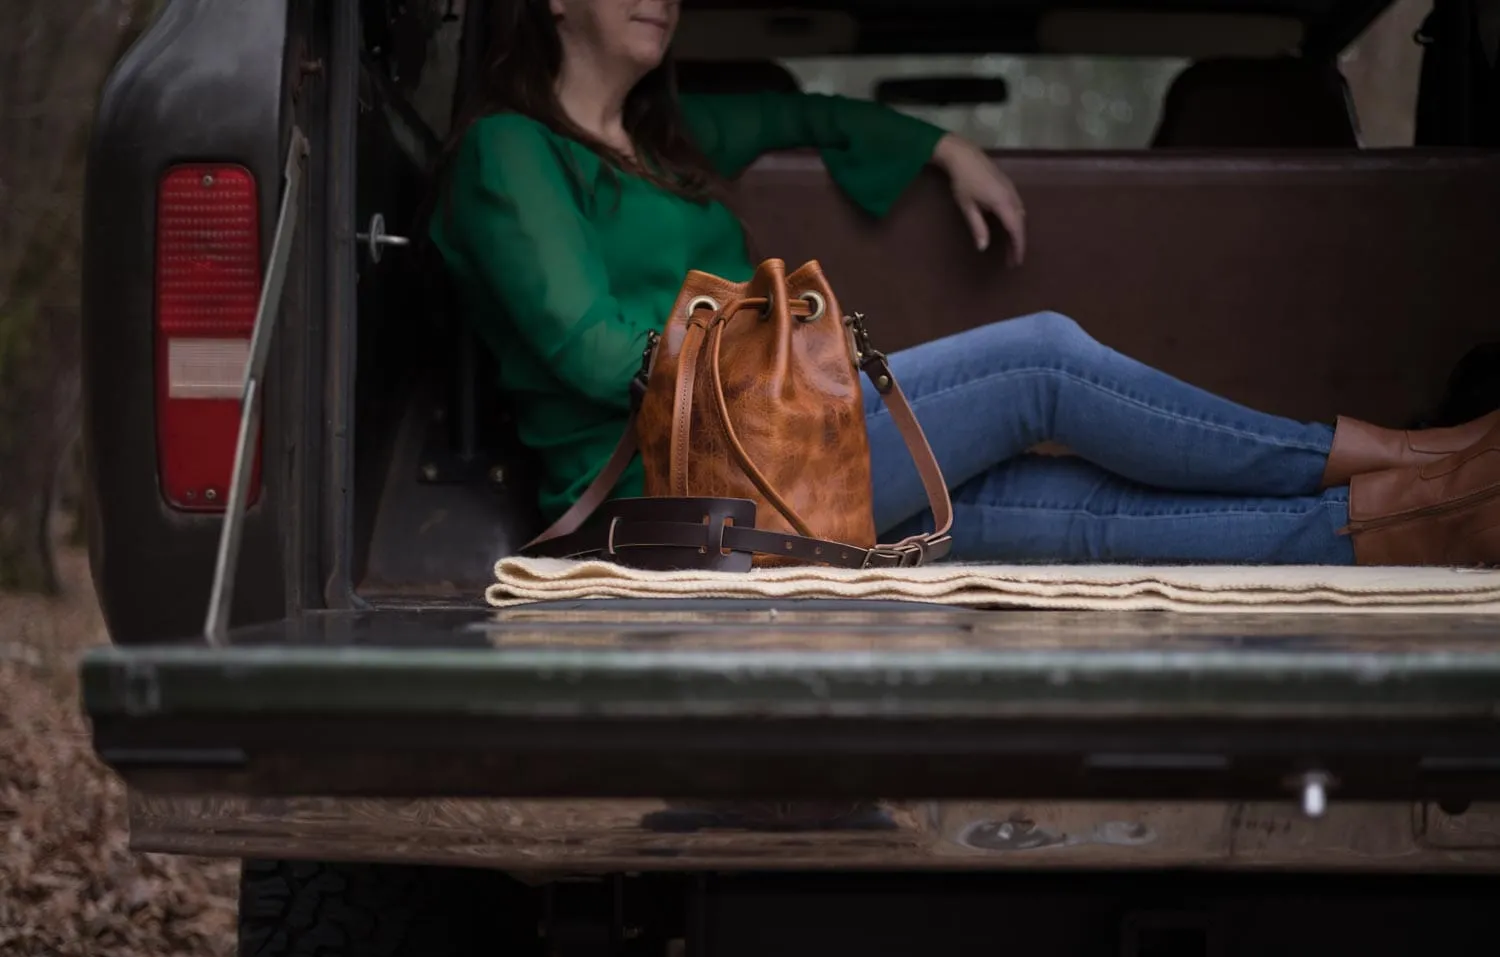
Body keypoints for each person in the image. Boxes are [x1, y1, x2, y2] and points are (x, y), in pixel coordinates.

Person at [428, 0, 1500, 567]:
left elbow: (816, 116)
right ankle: (1404, 450)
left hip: (767, 461)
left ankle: (1416, 518)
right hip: (668, 493)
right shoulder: (512, 153)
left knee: (1066, 512)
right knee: (1039, 358)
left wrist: (944, 145)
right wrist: (784, 357)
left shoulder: (666, 138)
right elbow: (589, 348)